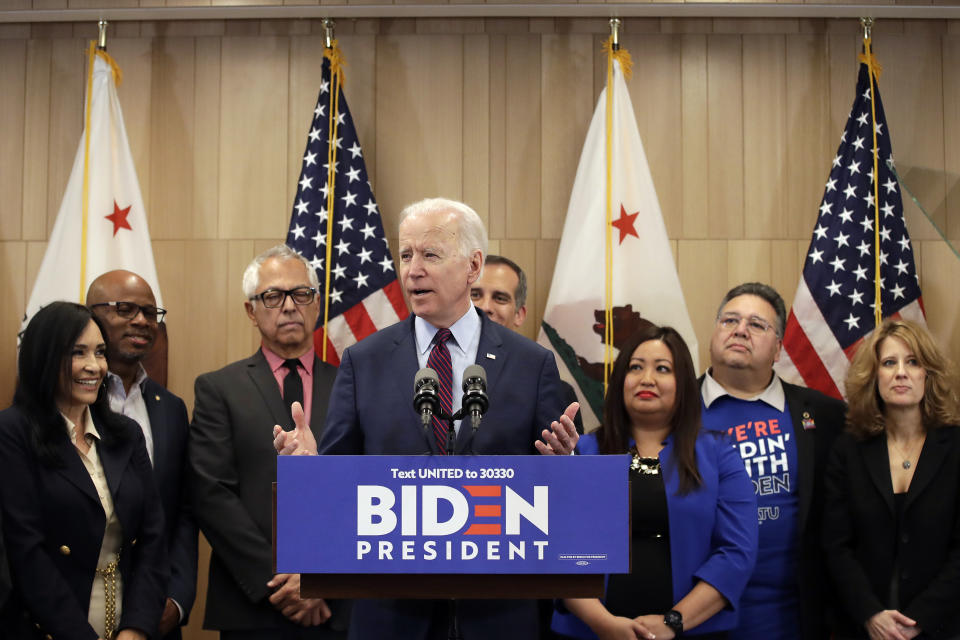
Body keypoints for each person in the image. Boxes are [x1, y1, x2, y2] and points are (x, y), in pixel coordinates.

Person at [273, 197, 580, 640]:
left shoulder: (532, 365)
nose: (412, 270)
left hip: (497, 615)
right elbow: (338, 492)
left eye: (430, 255)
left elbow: (556, 501)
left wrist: (562, 465)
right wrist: (312, 470)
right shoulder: (364, 361)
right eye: (406, 255)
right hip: (390, 615)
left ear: (473, 266)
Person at [552, 325, 757, 639]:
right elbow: (563, 551)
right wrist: (604, 624)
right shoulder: (584, 452)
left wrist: (674, 622)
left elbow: (736, 552)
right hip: (592, 630)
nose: (647, 379)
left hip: (693, 630)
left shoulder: (718, 454)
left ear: (683, 384)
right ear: (620, 379)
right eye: (636, 367)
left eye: (662, 369)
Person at [190, 245, 346, 639]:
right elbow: (212, 494)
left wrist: (321, 579)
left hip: (340, 603)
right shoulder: (218, 389)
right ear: (251, 311)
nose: (289, 306)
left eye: (301, 294)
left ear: (316, 304)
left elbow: (363, 488)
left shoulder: (351, 386)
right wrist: (280, 581)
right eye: (273, 296)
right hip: (254, 605)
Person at [0, 301, 168, 639]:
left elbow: (153, 538)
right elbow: (25, 551)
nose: (94, 366)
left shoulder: (125, 434)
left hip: (125, 624)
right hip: (50, 626)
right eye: (78, 353)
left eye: (101, 353)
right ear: (43, 359)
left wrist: (136, 629)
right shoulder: (12, 431)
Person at [698, 283, 846, 640]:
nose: (740, 330)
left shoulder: (826, 417)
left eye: (757, 324)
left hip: (796, 619)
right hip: (694, 616)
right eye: (729, 320)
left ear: (779, 348)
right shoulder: (673, 411)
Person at [823, 319, 960, 640]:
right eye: (889, 363)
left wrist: (919, 619)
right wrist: (870, 613)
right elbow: (835, 545)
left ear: (928, 374)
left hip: (942, 625)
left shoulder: (955, 447)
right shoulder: (848, 449)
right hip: (863, 625)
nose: (901, 372)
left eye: (913, 362)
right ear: (874, 376)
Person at [87, 270, 198, 639]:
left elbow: (182, 510)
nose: (141, 321)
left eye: (151, 313)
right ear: (90, 316)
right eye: (125, 309)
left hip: (155, 613)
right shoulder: (68, 401)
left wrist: (177, 598)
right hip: (77, 608)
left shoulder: (170, 408)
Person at [470, 254, 583, 434]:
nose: (485, 307)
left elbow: (566, 457)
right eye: (475, 295)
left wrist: (563, 456)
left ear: (519, 315)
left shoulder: (554, 391)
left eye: (500, 298)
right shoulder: (431, 378)